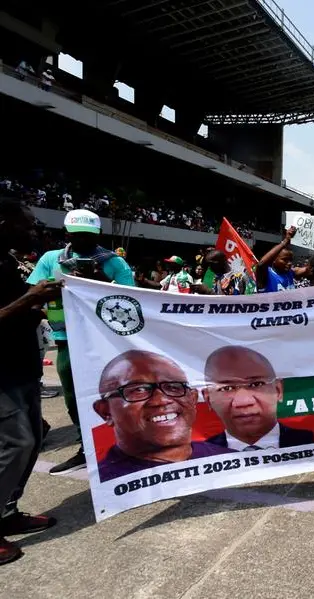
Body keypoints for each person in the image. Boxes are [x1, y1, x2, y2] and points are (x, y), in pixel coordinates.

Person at [27, 209, 135, 475]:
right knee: (74, 393)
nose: (83, 240)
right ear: (67, 234)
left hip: (104, 340)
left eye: (88, 235)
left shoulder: (113, 263)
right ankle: (86, 444)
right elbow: (31, 293)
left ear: (97, 235)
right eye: (77, 235)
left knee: (113, 391)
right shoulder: (51, 259)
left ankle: (123, 442)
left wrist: (100, 283)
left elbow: (132, 300)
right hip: (66, 339)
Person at [0, 199, 63, 565]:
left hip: (23, 368)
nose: (33, 232)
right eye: (26, 225)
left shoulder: (7, 262)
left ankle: (7, 513)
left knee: (34, 438)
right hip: (2, 374)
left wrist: (38, 305)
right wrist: (30, 297)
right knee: (16, 443)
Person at [93, 350, 234, 482]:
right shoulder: (108, 483)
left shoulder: (228, 459)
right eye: (139, 390)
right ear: (106, 412)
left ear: (193, 399)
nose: (161, 400)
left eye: (173, 387)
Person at [203, 346, 314, 450]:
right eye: (227, 388)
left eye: (256, 384)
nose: (243, 402)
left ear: (278, 390)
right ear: (208, 399)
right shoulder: (198, 456)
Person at [256, 227, 297, 293]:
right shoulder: (266, 275)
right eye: (285, 260)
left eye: (290, 260)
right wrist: (286, 240)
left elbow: (309, 269)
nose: (289, 263)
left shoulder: (290, 272)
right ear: (274, 259)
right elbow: (261, 264)